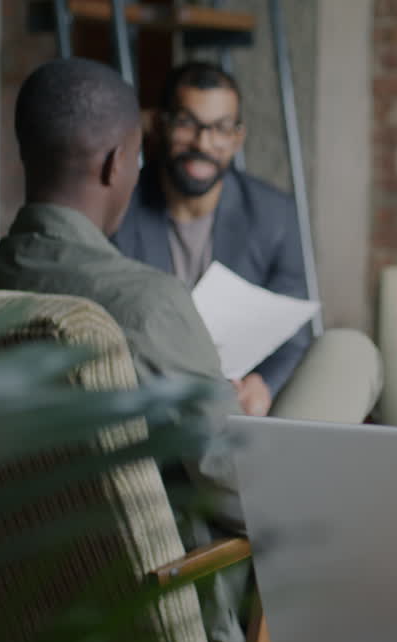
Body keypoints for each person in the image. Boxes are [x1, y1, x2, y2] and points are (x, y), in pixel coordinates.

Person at [0, 58, 249, 642]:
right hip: (156, 627)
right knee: (345, 363)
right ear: (116, 163)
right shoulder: (146, 303)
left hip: (12, 626)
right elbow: (242, 491)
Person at [111, 61, 309, 417]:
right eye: (188, 124)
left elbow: (295, 334)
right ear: (160, 124)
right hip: (152, 399)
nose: (203, 143)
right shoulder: (120, 210)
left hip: (244, 398)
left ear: (237, 138)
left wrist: (261, 384)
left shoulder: (274, 214)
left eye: (220, 128)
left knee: (348, 351)